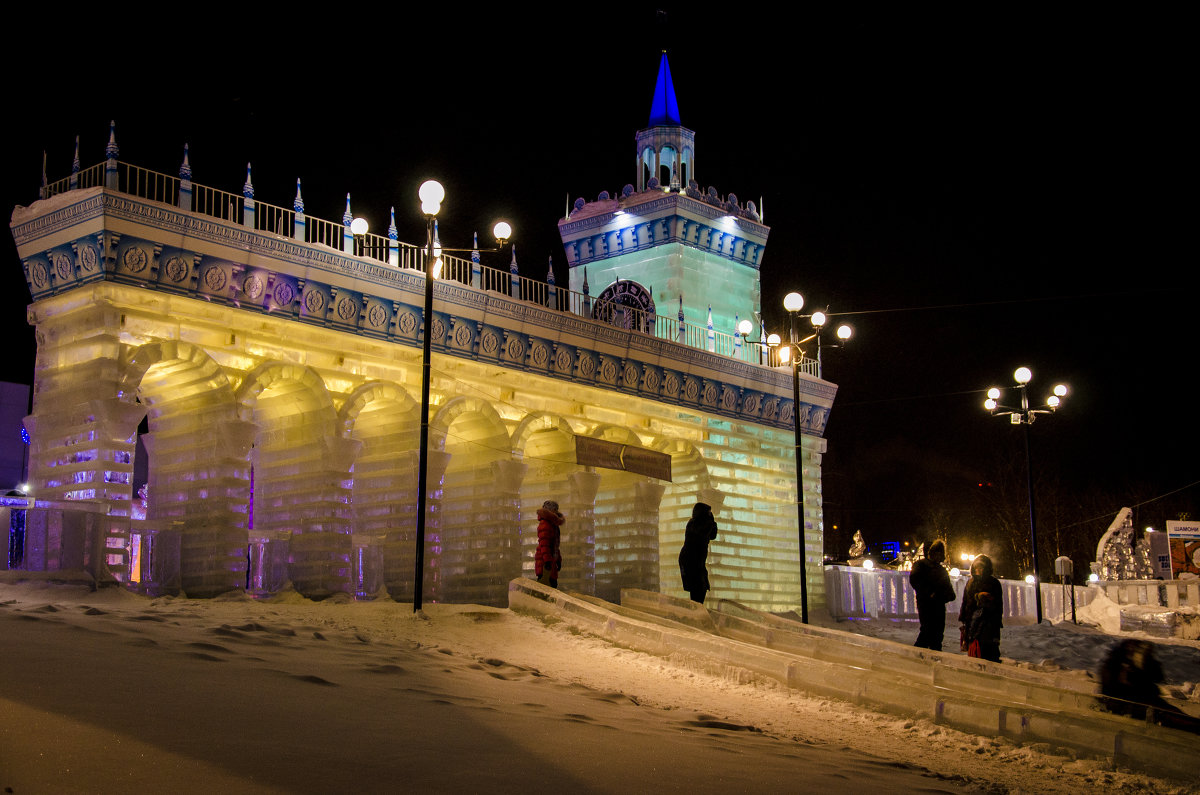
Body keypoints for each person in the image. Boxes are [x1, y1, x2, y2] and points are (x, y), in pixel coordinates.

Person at [1099, 639, 1200, 733]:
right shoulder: (1116, 667)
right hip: (1135, 707)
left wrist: (1146, 662)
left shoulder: (1133, 666)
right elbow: (1126, 690)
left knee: (1177, 715)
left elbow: (1157, 678)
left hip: (1148, 703)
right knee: (1173, 717)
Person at [909, 539, 956, 650]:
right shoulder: (921, 565)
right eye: (937, 553)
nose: (939, 556)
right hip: (926, 604)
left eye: (941, 553)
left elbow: (949, 591)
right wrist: (929, 593)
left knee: (938, 633)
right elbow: (915, 581)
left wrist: (943, 596)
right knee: (927, 630)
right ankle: (920, 654)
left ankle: (934, 654)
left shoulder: (941, 570)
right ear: (932, 553)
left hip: (938, 605)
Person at [958, 554, 1003, 662]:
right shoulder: (971, 582)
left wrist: (985, 599)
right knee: (974, 651)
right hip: (972, 622)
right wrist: (964, 618)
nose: (979, 570)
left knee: (988, 650)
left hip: (988, 623)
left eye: (981, 567)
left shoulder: (993, 583)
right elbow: (966, 602)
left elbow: (997, 604)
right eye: (976, 567)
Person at [678, 502, 718, 603]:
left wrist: (713, 522)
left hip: (698, 562)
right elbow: (703, 533)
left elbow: (712, 535)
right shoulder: (693, 524)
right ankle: (695, 613)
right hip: (690, 561)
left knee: (701, 587)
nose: (709, 514)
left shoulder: (703, 524)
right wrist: (710, 522)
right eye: (708, 512)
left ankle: (696, 610)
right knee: (698, 588)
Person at [535, 500, 564, 588]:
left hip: (549, 561)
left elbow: (554, 545)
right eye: (555, 509)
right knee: (547, 587)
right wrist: (547, 561)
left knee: (550, 586)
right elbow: (544, 544)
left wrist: (558, 559)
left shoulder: (552, 524)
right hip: (545, 562)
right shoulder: (546, 524)